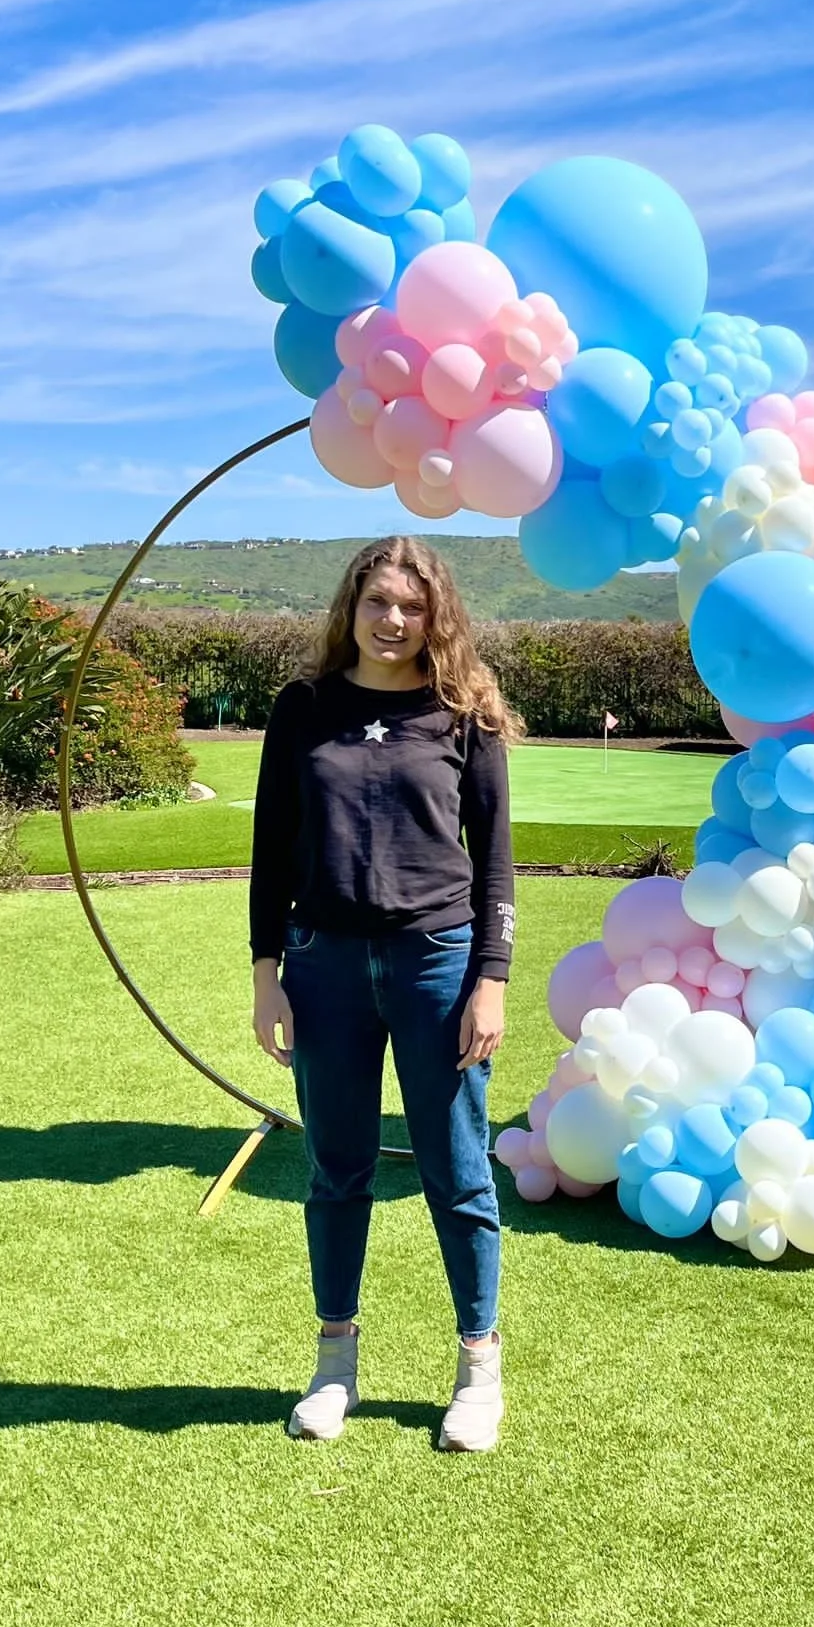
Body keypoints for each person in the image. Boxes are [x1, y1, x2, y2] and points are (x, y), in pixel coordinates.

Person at [249, 535, 518, 1452]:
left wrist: (491, 979)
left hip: (437, 964)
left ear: (436, 615)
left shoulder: (465, 712)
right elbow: (272, 851)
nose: (393, 620)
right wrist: (266, 977)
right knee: (337, 1170)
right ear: (351, 608)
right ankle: (335, 1368)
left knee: (458, 1171)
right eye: (378, 603)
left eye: (411, 606)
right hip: (321, 967)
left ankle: (477, 1370)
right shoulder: (304, 708)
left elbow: (496, 863)